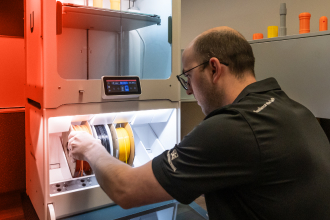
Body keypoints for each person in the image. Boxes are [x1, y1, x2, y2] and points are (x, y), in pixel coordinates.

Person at [68, 26, 330, 219]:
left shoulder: (231, 128)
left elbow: (125, 190)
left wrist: (90, 148)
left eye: (188, 78)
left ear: (214, 68)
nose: (189, 91)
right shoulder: (293, 109)